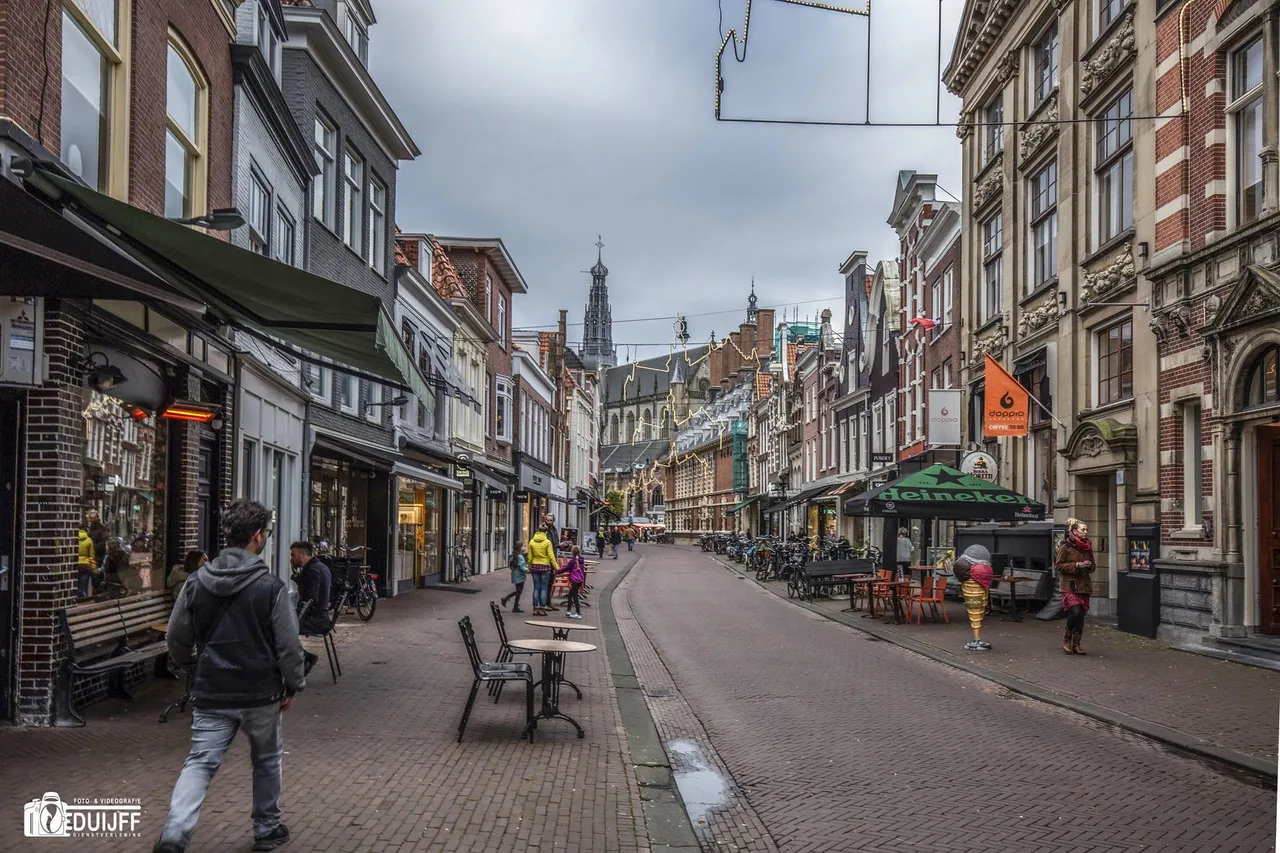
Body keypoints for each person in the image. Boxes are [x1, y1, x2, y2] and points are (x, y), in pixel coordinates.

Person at [154, 499, 304, 853]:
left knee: (201, 762)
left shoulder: (196, 582)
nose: (265, 538)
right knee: (266, 760)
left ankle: (175, 833)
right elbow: (288, 647)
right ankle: (266, 830)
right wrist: (293, 684)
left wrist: (192, 667)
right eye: (266, 532)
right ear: (256, 536)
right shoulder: (271, 587)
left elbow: (176, 637)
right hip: (260, 693)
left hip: (212, 692)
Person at [290, 541, 332, 676]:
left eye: (293, 555)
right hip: (322, 617)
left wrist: (297, 618)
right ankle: (303, 657)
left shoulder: (311, 570)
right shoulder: (321, 567)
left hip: (316, 620)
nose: (291, 559)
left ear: (302, 555)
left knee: (279, 629)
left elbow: (310, 599)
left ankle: (305, 657)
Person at [1056, 519, 1096, 655]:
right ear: (1074, 531)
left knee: (1081, 616)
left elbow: (1093, 566)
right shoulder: (1065, 546)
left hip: (1084, 585)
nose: (1086, 532)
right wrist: (1077, 565)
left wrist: (1089, 565)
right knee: (1075, 612)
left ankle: (1077, 644)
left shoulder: (1087, 546)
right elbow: (1059, 566)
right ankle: (1067, 638)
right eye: (1083, 530)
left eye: (1086, 530)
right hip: (1069, 585)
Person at [527, 527, 557, 616]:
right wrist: (556, 567)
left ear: (537, 531)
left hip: (534, 566)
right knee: (544, 588)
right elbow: (551, 556)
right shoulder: (547, 542)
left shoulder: (532, 541)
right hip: (545, 567)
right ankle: (543, 608)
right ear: (546, 532)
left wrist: (529, 566)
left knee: (536, 587)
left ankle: (535, 608)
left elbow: (529, 557)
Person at [558, 546, 587, 619]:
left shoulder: (573, 561)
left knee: (575, 596)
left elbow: (565, 568)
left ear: (572, 553)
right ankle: (568, 611)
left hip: (574, 580)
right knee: (571, 595)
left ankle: (578, 613)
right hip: (580, 580)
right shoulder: (582, 560)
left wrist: (557, 571)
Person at [501, 542, 529, 612]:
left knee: (518, 591)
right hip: (520, 576)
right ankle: (508, 600)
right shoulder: (520, 556)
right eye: (523, 546)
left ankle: (515, 606)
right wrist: (529, 570)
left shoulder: (513, 555)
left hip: (515, 575)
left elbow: (512, 565)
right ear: (520, 548)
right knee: (519, 592)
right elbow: (522, 567)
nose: (524, 548)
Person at [76, 526, 99, 598]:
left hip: (76, 565)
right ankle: (84, 598)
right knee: (84, 585)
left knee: (76, 585)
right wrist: (93, 567)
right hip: (86, 566)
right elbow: (91, 555)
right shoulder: (89, 540)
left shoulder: (74, 540)